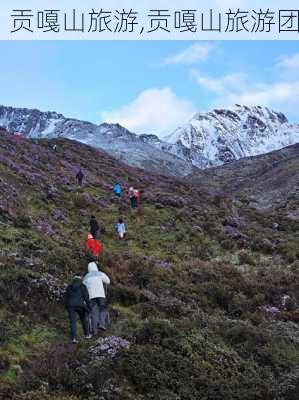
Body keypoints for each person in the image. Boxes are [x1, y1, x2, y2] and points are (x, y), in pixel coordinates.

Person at [83, 261, 110, 334]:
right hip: (101, 295)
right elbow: (108, 281)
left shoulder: (86, 277)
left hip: (91, 297)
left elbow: (83, 288)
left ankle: (95, 331)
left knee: (94, 313)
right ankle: (102, 324)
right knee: (103, 309)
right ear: (96, 267)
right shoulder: (100, 273)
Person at [65, 275, 91, 343]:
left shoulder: (69, 287)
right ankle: (87, 334)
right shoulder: (83, 286)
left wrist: (67, 307)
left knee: (73, 322)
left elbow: (66, 298)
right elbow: (87, 298)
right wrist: (89, 307)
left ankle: (74, 338)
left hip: (70, 306)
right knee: (83, 319)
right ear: (81, 279)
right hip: (80, 305)